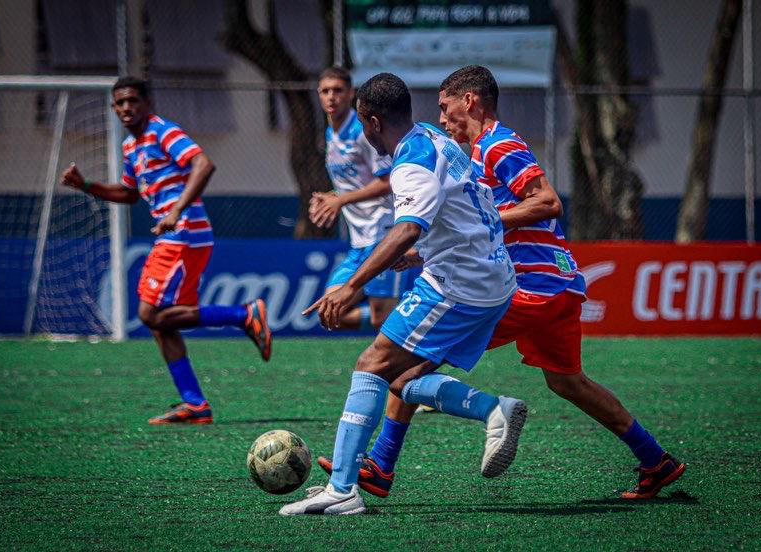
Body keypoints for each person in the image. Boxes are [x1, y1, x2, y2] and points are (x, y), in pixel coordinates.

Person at [320, 65, 686, 501]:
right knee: (568, 382)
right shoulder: (470, 152)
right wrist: (422, 252)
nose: (440, 117)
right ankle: (655, 460)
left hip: (528, 286)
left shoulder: (498, 144)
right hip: (557, 286)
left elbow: (546, 202)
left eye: (445, 106)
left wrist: (482, 222)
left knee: (403, 366)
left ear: (470, 101)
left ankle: (381, 464)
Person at [279, 72, 527, 516]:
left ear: (372, 121)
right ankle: (494, 409)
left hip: (460, 283)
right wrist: (418, 254)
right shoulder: (432, 136)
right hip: (492, 276)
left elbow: (408, 225)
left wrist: (352, 286)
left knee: (371, 363)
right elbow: (463, 204)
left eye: (361, 122)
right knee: (400, 378)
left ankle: (342, 489)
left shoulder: (409, 162)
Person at [61, 76, 271, 425]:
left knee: (148, 314)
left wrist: (176, 210)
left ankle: (244, 315)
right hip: (174, 235)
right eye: (119, 103)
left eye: (132, 101)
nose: (126, 108)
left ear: (146, 103)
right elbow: (129, 194)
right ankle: (195, 404)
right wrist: (86, 185)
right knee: (162, 324)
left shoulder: (163, 132)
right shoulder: (131, 147)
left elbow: (203, 165)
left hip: (184, 234)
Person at [310, 66, 418, 331]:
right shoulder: (330, 134)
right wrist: (330, 197)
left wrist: (341, 201)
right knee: (329, 311)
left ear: (351, 94)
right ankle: (411, 318)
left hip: (382, 233)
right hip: (359, 241)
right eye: (325, 91)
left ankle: (415, 326)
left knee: (381, 317)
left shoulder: (363, 133)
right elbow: (354, 184)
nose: (331, 97)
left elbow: (388, 180)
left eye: (338, 90)